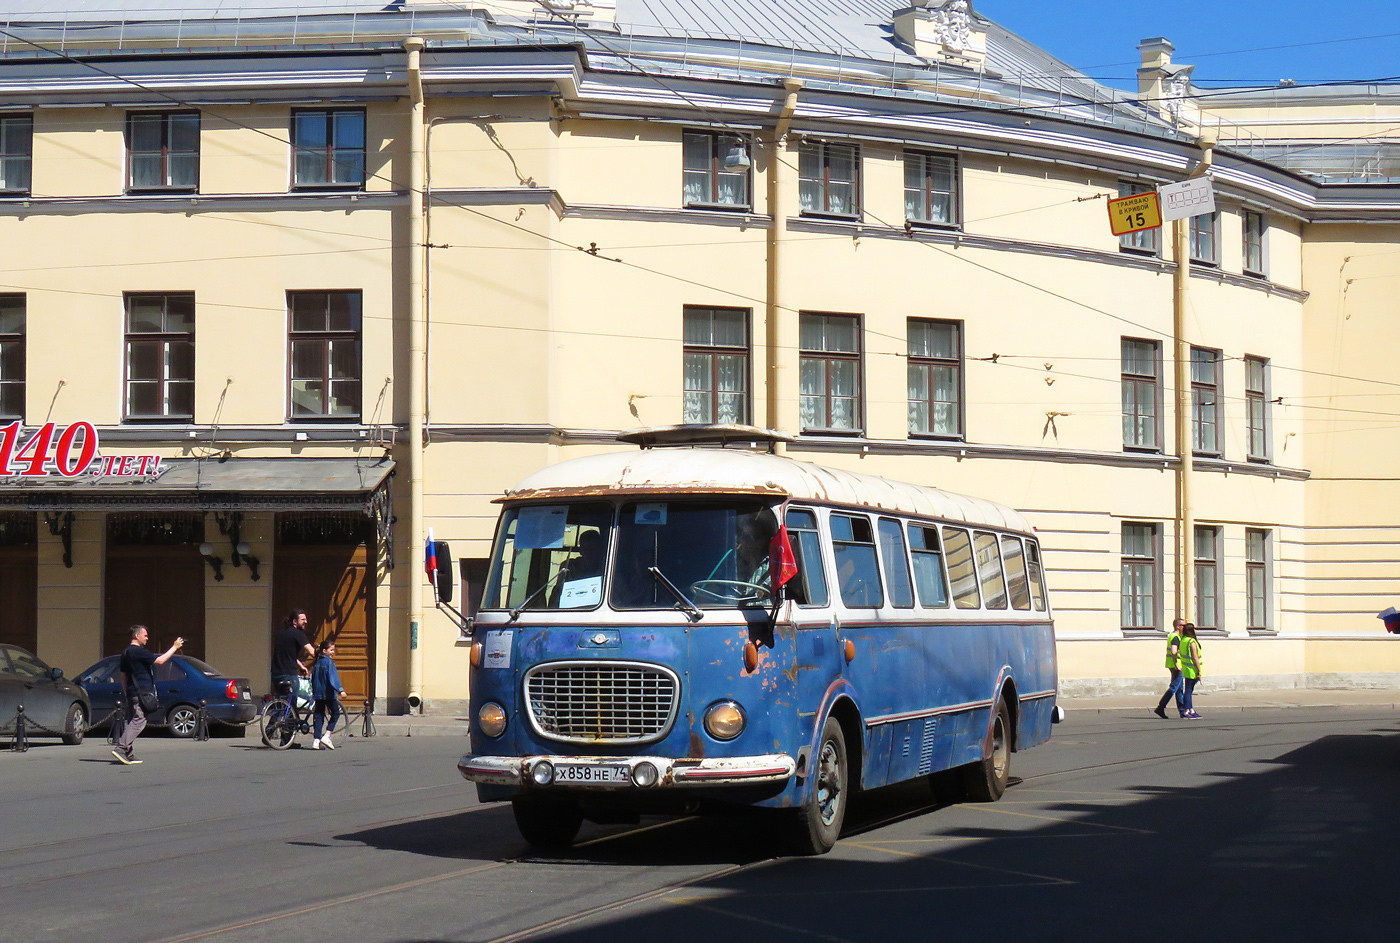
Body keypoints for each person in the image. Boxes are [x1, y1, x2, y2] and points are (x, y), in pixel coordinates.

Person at [112, 625, 184, 765]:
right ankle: (121, 748)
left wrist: (127, 693)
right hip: (142, 692)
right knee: (140, 720)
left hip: (132, 692)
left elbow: (123, 676)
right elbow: (160, 661)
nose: (147, 638)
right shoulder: (139, 651)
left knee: (131, 721)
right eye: (145, 635)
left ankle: (129, 753)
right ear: (137, 636)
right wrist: (174, 647)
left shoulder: (126, 653)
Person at [310, 640, 346, 750]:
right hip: (328, 693)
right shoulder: (329, 663)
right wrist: (341, 690)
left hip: (318, 693)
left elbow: (312, 678)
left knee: (319, 715)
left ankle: (316, 740)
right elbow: (333, 678)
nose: (333, 652)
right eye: (331, 650)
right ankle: (327, 735)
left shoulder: (317, 663)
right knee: (335, 713)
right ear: (324, 651)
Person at [272, 609, 314, 702]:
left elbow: (289, 655)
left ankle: (276, 716)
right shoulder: (298, 634)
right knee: (292, 703)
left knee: (281, 702)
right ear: (295, 621)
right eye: (303, 620)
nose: (306, 622)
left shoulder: (280, 633)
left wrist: (301, 667)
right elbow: (312, 652)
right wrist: (324, 659)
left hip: (276, 673)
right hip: (289, 674)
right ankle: (293, 716)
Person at [1153, 618, 1187, 719]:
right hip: (1177, 666)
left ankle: (1182, 711)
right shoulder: (1175, 637)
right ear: (1178, 626)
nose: (1184, 627)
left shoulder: (1175, 636)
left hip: (1175, 665)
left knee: (1179, 689)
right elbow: (1174, 651)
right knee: (1174, 688)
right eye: (1183, 625)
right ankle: (1160, 707)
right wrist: (1177, 663)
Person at [1180, 623, 1204, 719]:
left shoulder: (1183, 640)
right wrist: (1199, 671)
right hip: (1192, 669)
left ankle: (1190, 709)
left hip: (1186, 668)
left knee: (1188, 690)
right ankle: (1188, 710)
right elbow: (1195, 657)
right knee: (1189, 691)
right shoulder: (1192, 642)